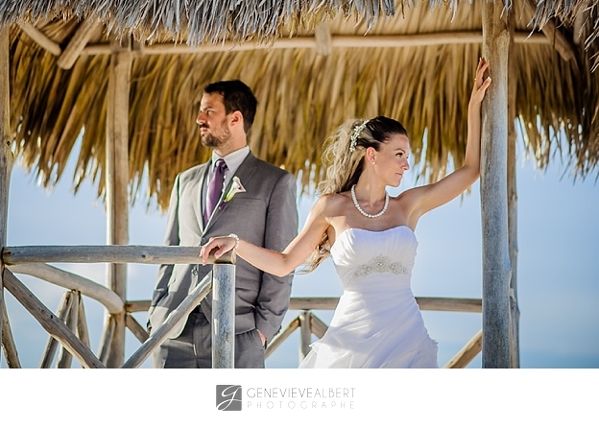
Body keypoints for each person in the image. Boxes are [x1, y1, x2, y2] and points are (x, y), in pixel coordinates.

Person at [201, 58, 492, 368]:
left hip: (407, 338)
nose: (406, 165)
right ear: (372, 155)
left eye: (407, 156)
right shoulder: (332, 208)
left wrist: (474, 105)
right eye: (399, 155)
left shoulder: (408, 206)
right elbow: (284, 263)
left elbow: (471, 170)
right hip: (351, 343)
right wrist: (237, 243)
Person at [147, 79, 299, 368]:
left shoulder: (275, 182)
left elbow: (282, 262)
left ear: (235, 118)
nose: (199, 119)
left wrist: (263, 330)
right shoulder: (185, 181)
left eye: (208, 111)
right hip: (173, 330)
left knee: (230, 412)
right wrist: (157, 311)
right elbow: (169, 250)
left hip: (239, 331)